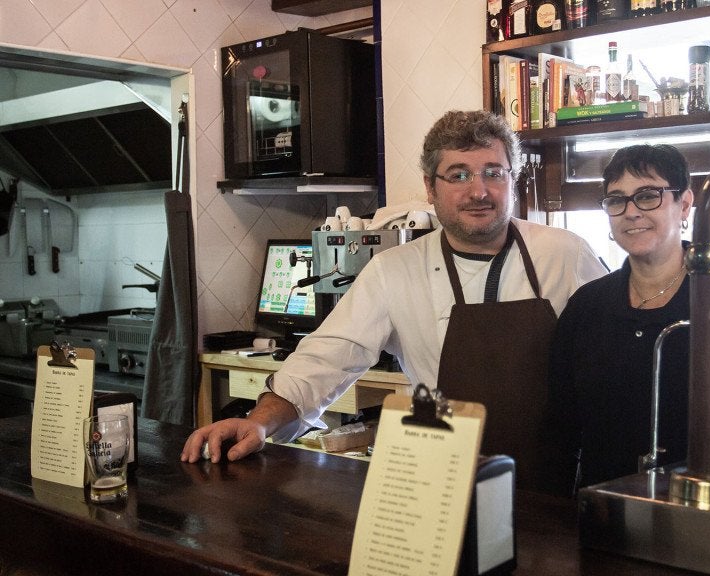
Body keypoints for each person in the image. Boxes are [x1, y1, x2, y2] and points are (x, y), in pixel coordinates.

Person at [182, 110, 607, 492]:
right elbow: (324, 360)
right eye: (458, 175)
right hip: (445, 484)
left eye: (494, 172)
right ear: (430, 187)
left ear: (511, 179)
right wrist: (259, 421)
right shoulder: (395, 270)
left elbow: (613, 357)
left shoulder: (564, 254)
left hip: (555, 483)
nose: (479, 191)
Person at [548, 144, 710, 495]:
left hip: (709, 514)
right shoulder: (587, 307)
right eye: (617, 200)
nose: (631, 212)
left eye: (647, 196)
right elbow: (561, 427)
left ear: (685, 204)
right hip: (605, 515)